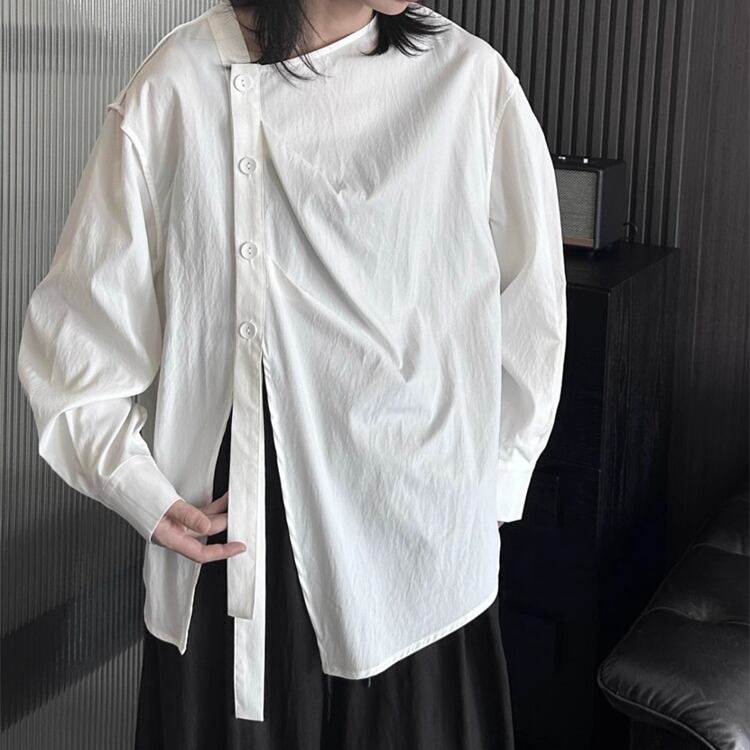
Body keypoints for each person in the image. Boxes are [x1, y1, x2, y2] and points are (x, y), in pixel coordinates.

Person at [16, 0, 568, 747]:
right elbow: (76, 344)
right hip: (243, 544)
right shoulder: (177, 86)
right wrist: (139, 490)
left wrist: (490, 490)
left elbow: (531, 311)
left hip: (423, 554)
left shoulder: (470, 81)